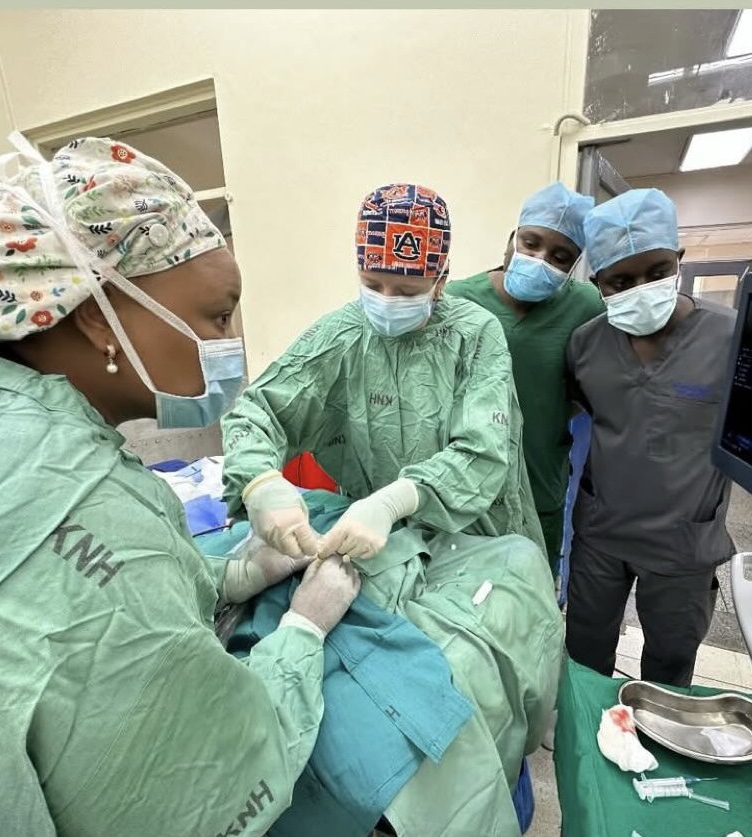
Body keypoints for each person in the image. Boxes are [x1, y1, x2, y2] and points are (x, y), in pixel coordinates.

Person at [0, 136, 361, 837]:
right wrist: (301, 633)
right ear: (99, 314)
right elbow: (199, 785)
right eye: (219, 316)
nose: (230, 346)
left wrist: (222, 576)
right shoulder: (91, 506)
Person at [220, 184, 562, 836]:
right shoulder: (340, 335)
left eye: (407, 290)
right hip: (380, 540)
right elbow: (259, 409)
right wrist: (261, 481)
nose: (387, 301)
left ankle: (509, 761)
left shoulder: (475, 334)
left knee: (495, 657)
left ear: (441, 278)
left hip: (479, 531)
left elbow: (482, 453)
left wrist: (396, 498)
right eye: (373, 284)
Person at [564, 188, 735, 687]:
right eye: (620, 281)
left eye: (657, 272)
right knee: (584, 655)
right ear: (597, 283)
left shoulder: (731, 337)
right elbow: (590, 413)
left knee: (670, 663)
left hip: (683, 539)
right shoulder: (585, 345)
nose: (641, 288)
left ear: (679, 260)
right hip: (603, 531)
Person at [445, 182, 602, 575]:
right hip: (464, 480)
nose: (540, 259)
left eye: (560, 257)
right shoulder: (457, 300)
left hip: (539, 481)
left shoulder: (585, 306)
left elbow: (600, 378)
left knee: (531, 590)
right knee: (462, 589)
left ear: (574, 265)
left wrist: (551, 405)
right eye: (530, 243)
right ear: (511, 238)